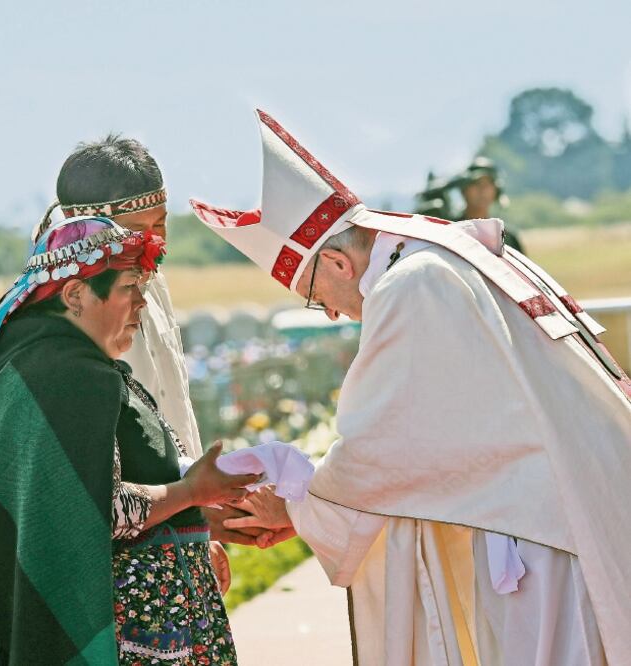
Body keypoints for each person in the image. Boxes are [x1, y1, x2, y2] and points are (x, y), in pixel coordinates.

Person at [191, 109, 631, 665]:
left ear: (336, 262)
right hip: (559, 514)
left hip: (538, 539)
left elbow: (380, 448)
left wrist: (297, 510)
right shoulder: (440, 256)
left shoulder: (410, 286)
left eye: (313, 294)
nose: (327, 313)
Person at [0, 217, 255, 665]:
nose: (141, 303)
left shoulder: (42, 365)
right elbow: (96, 511)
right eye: (130, 286)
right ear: (75, 295)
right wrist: (193, 491)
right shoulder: (67, 378)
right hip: (125, 640)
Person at [452, 156, 524, 252]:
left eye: (488, 184)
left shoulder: (507, 238)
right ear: (464, 190)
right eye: (476, 183)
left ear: (496, 192)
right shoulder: (450, 231)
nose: (483, 190)